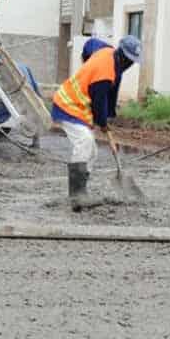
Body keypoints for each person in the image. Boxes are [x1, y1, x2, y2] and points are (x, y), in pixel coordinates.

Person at [52, 35, 142, 212]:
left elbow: (91, 44)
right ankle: (76, 195)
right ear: (122, 56)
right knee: (84, 142)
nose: (131, 64)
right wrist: (103, 123)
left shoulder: (107, 51)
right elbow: (99, 102)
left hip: (78, 107)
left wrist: (107, 117)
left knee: (92, 150)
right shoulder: (105, 73)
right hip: (68, 104)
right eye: (130, 61)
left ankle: (82, 190)